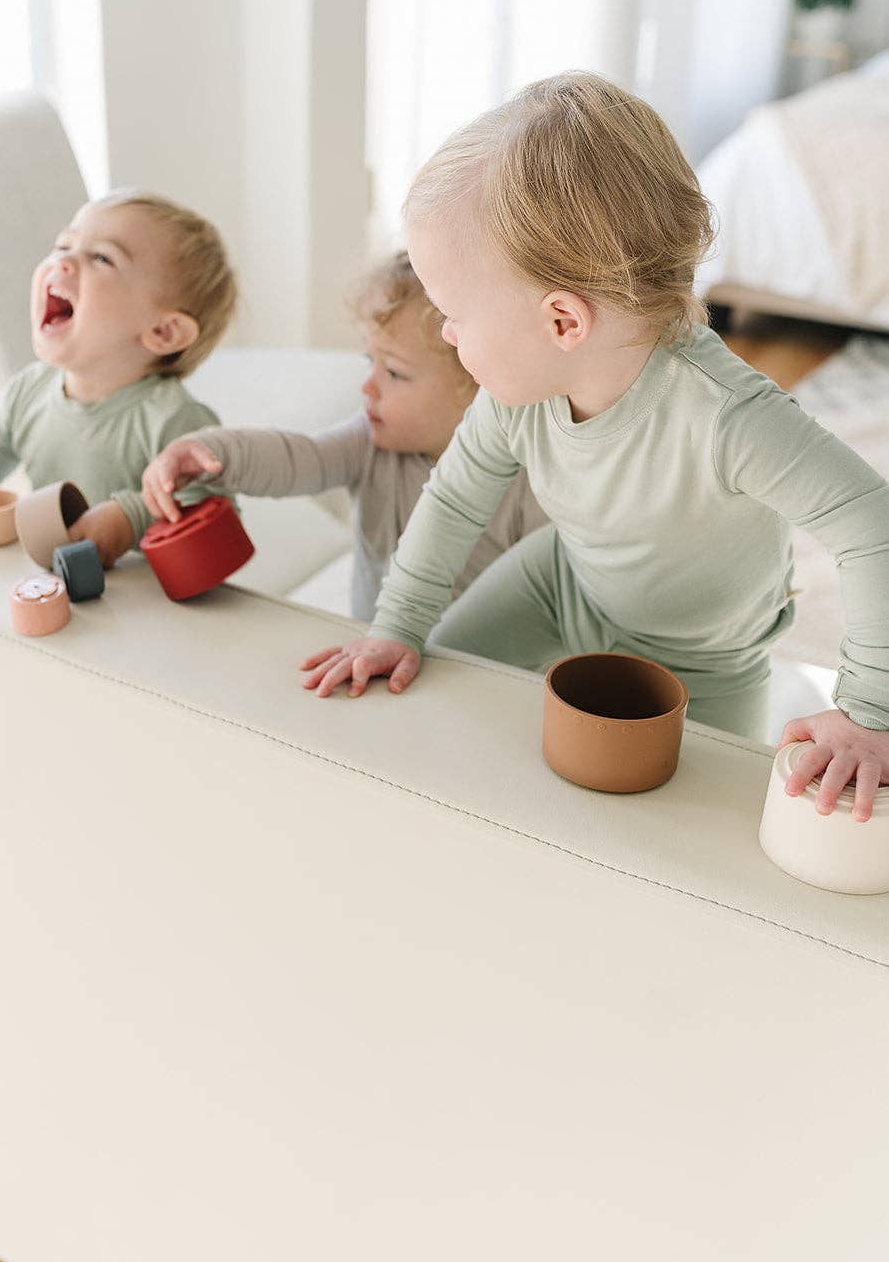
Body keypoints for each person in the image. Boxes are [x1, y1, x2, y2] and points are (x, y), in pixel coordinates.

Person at [299, 73, 889, 823]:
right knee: (434, 694)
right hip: (561, 586)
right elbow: (453, 499)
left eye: (454, 315)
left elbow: (872, 528)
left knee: (694, 824)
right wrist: (395, 627)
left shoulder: (728, 418)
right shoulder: (518, 393)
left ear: (561, 322)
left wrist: (870, 713)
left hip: (707, 654)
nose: (446, 335)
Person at [141, 253, 545, 619]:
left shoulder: (528, 480)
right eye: (371, 362)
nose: (367, 387)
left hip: (482, 673)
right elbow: (300, 458)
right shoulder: (370, 441)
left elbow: (544, 599)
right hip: (375, 657)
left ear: (476, 388)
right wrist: (211, 451)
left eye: (394, 373)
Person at [0, 191, 237, 566]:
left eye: (102, 257)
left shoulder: (175, 421)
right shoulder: (28, 392)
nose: (64, 261)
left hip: (145, 602)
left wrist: (132, 517)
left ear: (163, 333)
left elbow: (218, 517)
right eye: (63, 245)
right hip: (60, 590)